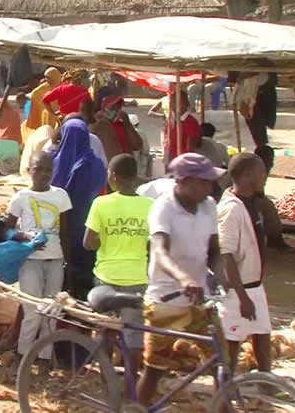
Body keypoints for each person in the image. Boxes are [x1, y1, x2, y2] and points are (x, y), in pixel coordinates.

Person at [136, 153, 224, 406]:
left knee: (221, 361)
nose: (210, 187)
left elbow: (214, 250)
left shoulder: (208, 205)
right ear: (183, 182)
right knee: (155, 369)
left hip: (198, 297)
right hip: (165, 300)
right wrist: (184, 278)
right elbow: (160, 251)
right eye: (204, 182)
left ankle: (223, 406)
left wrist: (221, 276)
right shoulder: (163, 208)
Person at [84, 154, 152, 381]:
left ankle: (107, 385)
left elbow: (88, 243)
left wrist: (108, 238)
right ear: (135, 177)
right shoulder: (150, 206)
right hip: (138, 279)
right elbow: (153, 243)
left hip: (107, 278)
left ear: (112, 176)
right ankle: (132, 389)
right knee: (134, 338)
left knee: (105, 334)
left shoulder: (101, 203)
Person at [5, 151, 71, 377]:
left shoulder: (61, 196)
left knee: (51, 314)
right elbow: (8, 229)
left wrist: (67, 263)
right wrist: (25, 238)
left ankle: (44, 362)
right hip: (30, 261)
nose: (43, 174)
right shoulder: (20, 197)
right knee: (32, 313)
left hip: (55, 260)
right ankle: (21, 359)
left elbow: (65, 232)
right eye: (38, 169)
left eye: (48, 170)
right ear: (29, 170)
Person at [217, 153, 272, 374]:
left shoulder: (252, 202)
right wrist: (242, 298)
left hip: (255, 286)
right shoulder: (231, 209)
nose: (265, 175)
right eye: (261, 171)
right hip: (237, 291)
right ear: (248, 175)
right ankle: (225, 391)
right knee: (232, 342)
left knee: (262, 334)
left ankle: (266, 381)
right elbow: (226, 255)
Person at [50, 119, 107, 299]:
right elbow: (100, 191)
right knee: (86, 264)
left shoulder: (53, 161)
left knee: (60, 269)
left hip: (59, 223)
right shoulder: (95, 164)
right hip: (87, 220)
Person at [254, 145, 295, 252]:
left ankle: (272, 238)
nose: (272, 163)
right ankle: (277, 240)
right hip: (246, 196)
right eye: (270, 159)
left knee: (267, 206)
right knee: (269, 209)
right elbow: (257, 192)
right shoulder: (257, 168)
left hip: (253, 195)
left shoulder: (262, 167)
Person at [91, 95, 143, 163]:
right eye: (113, 107)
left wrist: (127, 123)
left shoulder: (123, 124)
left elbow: (137, 145)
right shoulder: (97, 125)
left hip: (126, 166)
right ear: (105, 108)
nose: (116, 109)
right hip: (109, 167)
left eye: (118, 107)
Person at [23, 68, 62, 142]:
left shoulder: (63, 86)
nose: (48, 79)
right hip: (45, 119)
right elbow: (36, 99)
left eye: (50, 77)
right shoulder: (41, 90)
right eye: (47, 77)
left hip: (60, 117)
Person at [0, 97, 22, 176]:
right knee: (14, 166)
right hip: (13, 142)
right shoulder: (15, 113)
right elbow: (17, 128)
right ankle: (1, 167)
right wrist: (20, 142)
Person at [165, 91, 200, 164]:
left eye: (175, 102)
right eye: (171, 102)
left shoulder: (190, 122)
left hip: (183, 165)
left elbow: (190, 149)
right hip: (172, 162)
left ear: (185, 104)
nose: (172, 105)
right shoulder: (172, 120)